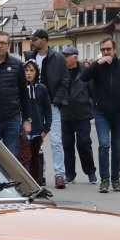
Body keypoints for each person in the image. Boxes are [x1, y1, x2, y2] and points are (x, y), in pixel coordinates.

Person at [79, 37, 120, 193]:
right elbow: (84, 78)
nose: (106, 52)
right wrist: (97, 63)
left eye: (108, 49)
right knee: (104, 145)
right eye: (103, 49)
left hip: (118, 112)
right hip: (101, 112)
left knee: (116, 147)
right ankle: (104, 180)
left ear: (114, 50)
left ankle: (115, 180)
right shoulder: (97, 67)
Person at [29, 28, 69, 188]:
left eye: (35, 39)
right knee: (36, 141)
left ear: (44, 40)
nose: (32, 42)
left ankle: (59, 174)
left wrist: (57, 99)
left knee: (56, 141)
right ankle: (40, 173)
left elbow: (65, 80)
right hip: (34, 105)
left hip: (52, 105)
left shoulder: (58, 58)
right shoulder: (30, 57)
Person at [59, 46, 97, 184]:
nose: (64, 59)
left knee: (84, 143)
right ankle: (70, 174)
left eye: (66, 56)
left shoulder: (86, 71)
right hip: (65, 114)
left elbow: (93, 91)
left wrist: (90, 105)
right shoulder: (61, 72)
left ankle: (90, 172)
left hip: (82, 114)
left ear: (75, 57)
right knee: (67, 145)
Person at [16, 59, 52, 185]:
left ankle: (38, 179)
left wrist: (46, 128)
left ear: (36, 72)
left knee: (37, 155)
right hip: (23, 129)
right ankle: (25, 182)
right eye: (26, 70)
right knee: (25, 156)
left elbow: (47, 109)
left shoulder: (42, 89)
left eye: (32, 70)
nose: (29, 73)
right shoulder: (19, 88)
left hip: (38, 129)